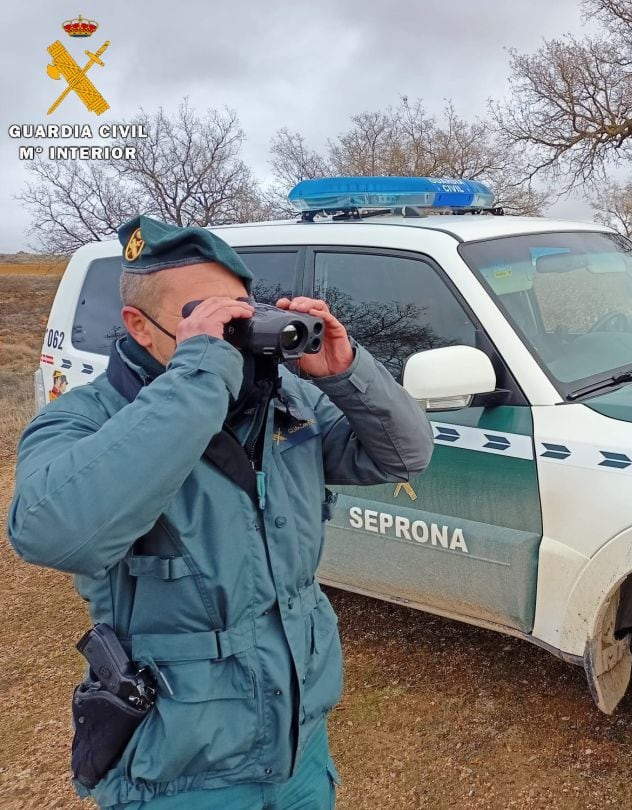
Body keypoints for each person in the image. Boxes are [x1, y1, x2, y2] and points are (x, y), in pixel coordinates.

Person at [7, 215, 434, 808]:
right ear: (141, 326)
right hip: (179, 764)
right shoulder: (88, 420)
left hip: (297, 741)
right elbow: (48, 533)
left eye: (238, 312)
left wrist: (348, 372)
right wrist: (200, 374)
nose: (232, 334)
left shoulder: (287, 404)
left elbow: (404, 456)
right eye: (206, 319)